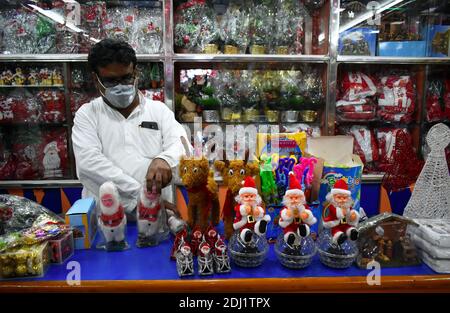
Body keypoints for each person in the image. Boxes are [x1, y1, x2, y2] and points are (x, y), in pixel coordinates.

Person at [72, 39, 188, 215]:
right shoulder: (87, 115)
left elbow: (183, 147)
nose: (120, 86)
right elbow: (89, 165)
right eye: (111, 81)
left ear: (136, 73)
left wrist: (166, 159)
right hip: (106, 221)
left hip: (157, 219)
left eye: (126, 78)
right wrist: (141, 196)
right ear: (96, 80)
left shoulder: (159, 110)